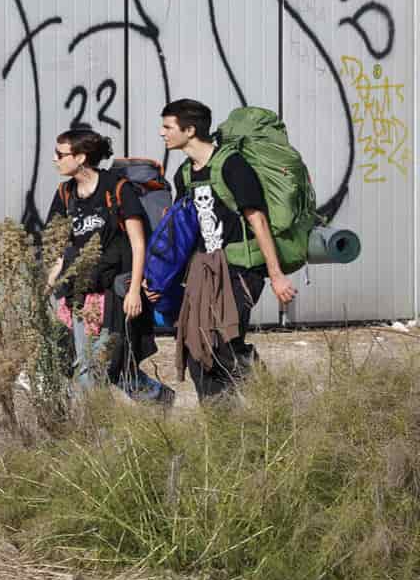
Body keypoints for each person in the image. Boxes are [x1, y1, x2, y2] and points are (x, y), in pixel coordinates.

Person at [155, 98, 296, 399]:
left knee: (224, 342)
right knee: (197, 347)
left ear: (190, 129)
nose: (162, 133)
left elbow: (257, 220)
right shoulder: (184, 174)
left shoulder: (232, 164)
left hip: (239, 266)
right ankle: (222, 426)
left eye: (168, 126)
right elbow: (183, 231)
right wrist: (162, 279)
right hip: (202, 268)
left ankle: (270, 401)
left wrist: (277, 275)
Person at [45, 128, 171, 404]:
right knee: (85, 365)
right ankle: (153, 400)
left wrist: (135, 290)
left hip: (112, 293)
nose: (54, 159)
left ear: (80, 157)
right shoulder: (65, 194)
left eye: (60, 154)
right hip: (78, 293)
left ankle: (109, 425)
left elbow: (139, 243)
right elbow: (58, 246)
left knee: (104, 364)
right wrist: (48, 282)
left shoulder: (116, 189)